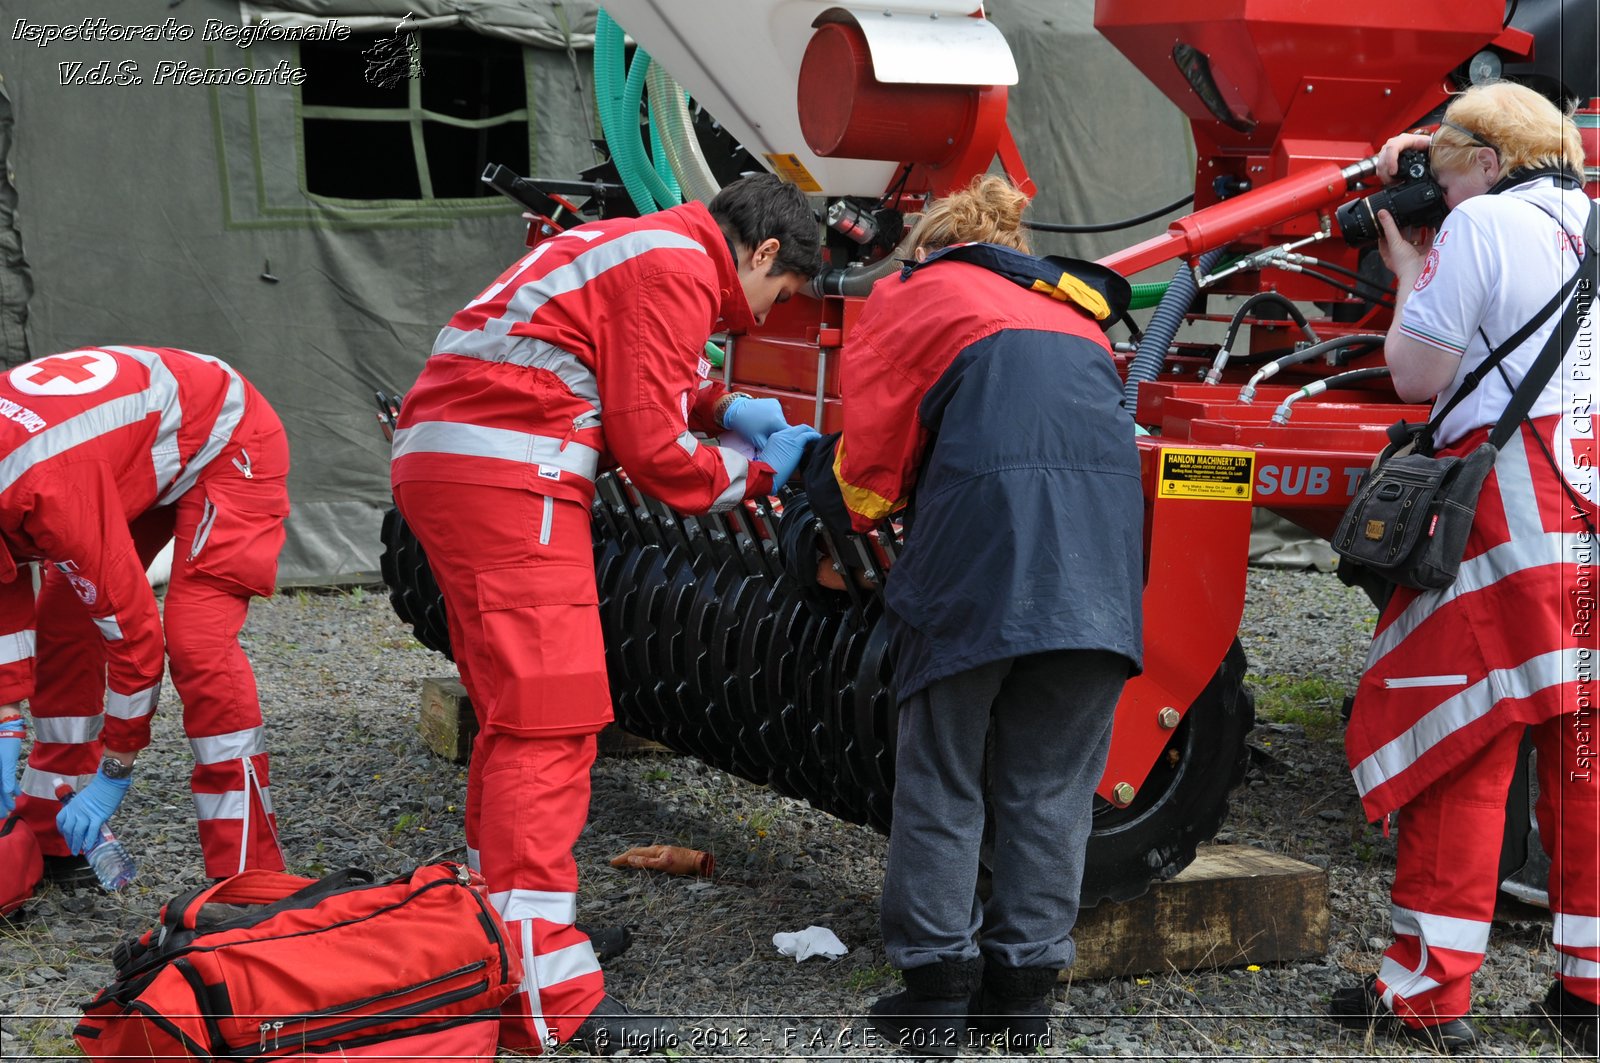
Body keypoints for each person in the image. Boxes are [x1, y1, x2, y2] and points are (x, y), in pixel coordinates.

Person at [389, 172, 822, 1056]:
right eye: (776, 294)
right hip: (513, 470)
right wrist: (764, 470)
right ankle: (544, 993)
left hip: (459, 461)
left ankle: (492, 944)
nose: (763, 318)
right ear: (765, 250)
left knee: (515, 720)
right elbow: (656, 453)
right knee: (551, 725)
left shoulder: (639, 244)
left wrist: (721, 401)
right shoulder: (677, 268)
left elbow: (633, 361)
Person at [797, 175, 1143, 1055]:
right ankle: (1021, 997)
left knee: (946, 776)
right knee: (1053, 789)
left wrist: (830, 530)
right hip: (1101, 581)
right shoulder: (1075, 316)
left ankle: (938, 989)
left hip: (979, 574)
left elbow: (869, 464)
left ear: (929, 243)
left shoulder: (923, 293)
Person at [1329, 81, 1598, 1055]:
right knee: (1582, 763)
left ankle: (1425, 995)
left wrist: (1408, 267)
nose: (1439, 207)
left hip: (1508, 519)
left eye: (1442, 184)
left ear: (1485, 162)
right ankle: (1588, 993)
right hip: (1590, 515)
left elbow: (1415, 374)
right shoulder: (1593, 221)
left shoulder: (1483, 223)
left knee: (1463, 744)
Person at [0, 345, 290, 883]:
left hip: (226, 437)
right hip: (118, 455)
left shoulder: (46, 492)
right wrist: (4, 723)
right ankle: (50, 831)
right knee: (66, 623)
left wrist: (117, 769)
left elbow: (133, 639)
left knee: (197, 642)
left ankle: (248, 874)